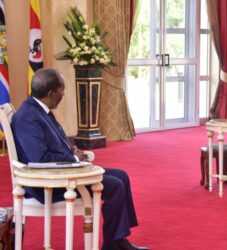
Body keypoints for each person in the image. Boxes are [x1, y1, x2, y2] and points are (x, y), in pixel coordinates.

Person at [11, 68, 149, 250]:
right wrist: (72, 157)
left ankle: (117, 240)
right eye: (62, 90)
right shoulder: (28, 117)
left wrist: (71, 149)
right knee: (114, 185)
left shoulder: (39, 109)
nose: (63, 94)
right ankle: (113, 244)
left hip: (62, 171)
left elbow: (53, 141)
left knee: (121, 176)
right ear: (51, 92)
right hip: (48, 183)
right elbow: (40, 158)